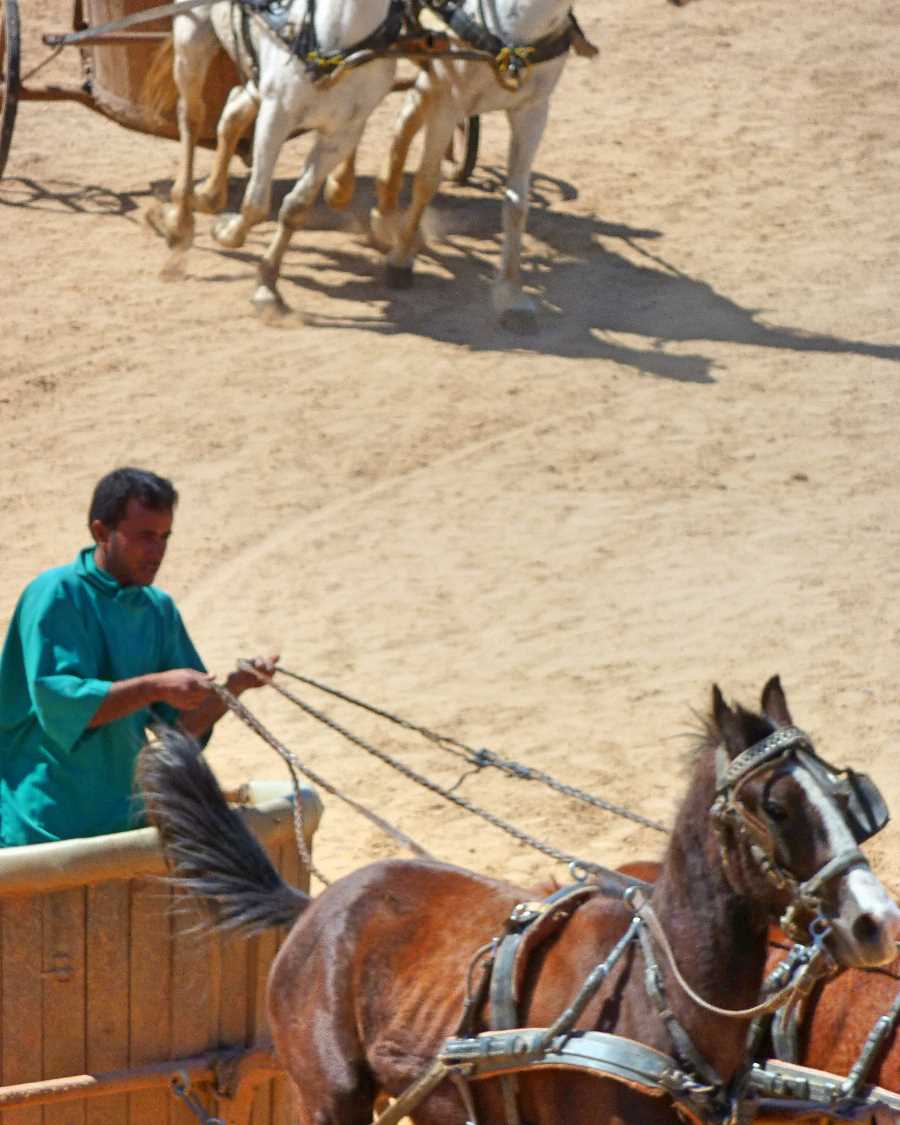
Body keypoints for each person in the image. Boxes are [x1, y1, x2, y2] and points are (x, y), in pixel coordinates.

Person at [0, 467, 276, 847]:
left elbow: (181, 729)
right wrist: (156, 686)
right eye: (145, 536)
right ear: (101, 532)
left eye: (164, 537)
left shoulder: (158, 609)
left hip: (123, 827)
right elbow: (63, 706)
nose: (157, 551)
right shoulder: (55, 594)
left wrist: (235, 687)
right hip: (41, 828)